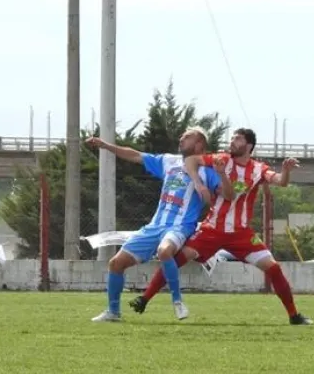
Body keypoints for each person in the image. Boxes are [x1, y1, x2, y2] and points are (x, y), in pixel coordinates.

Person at [129, 128, 314, 326]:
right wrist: (199, 183)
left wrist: (285, 171)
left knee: (274, 268)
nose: (233, 141)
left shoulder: (259, 169)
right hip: (212, 230)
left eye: (238, 139)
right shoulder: (221, 159)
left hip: (241, 234)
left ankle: (294, 315)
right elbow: (191, 160)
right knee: (178, 258)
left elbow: (280, 182)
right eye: (232, 137)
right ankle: (144, 298)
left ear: (249, 145)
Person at [87, 127, 231, 323]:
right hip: (155, 226)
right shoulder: (168, 161)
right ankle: (113, 312)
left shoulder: (208, 170)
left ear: (199, 144)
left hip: (180, 226)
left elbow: (228, 194)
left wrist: (224, 178)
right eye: (181, 136)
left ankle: (177, 301)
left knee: (165, 252)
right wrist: (105, 145)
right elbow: (135, 155)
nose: (181, 139)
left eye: (187, 137)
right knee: (116, 263)